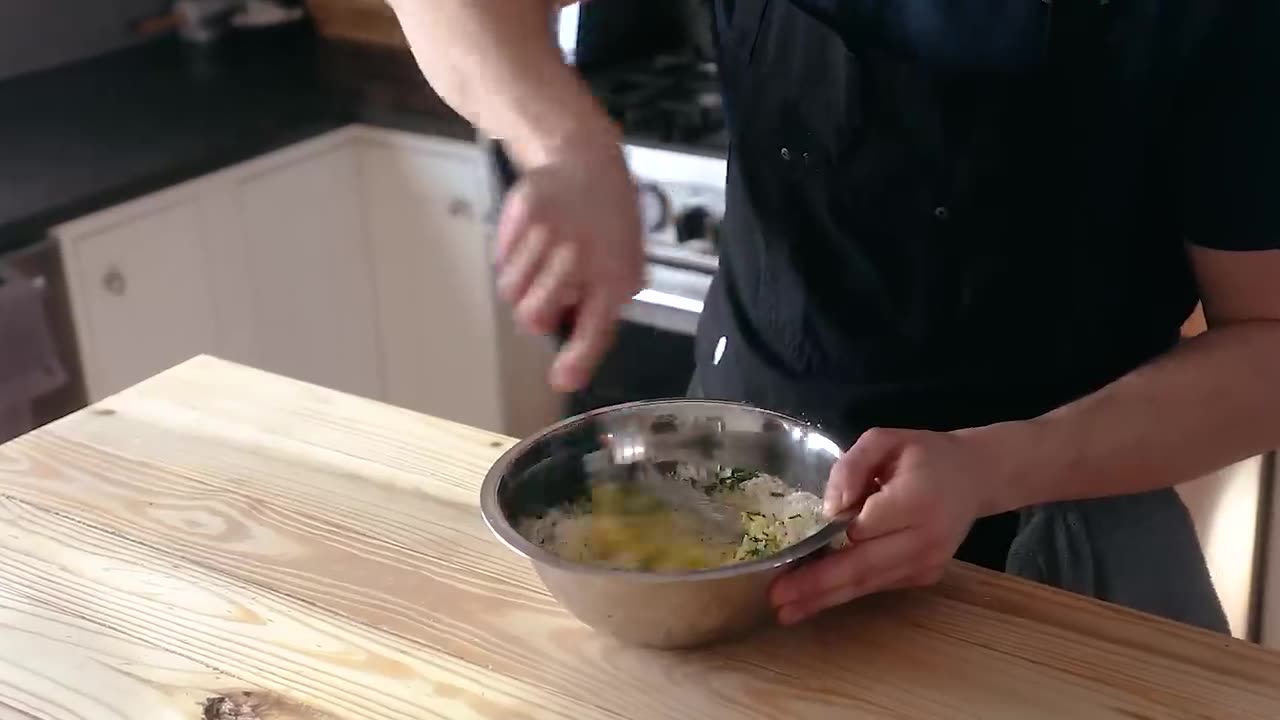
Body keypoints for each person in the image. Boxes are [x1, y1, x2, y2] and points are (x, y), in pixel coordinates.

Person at [388, 0, 1280, 634]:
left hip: (1057, 535)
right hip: (725, 499)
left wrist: (996, 465)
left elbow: (1267, 346)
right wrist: (563, 140)